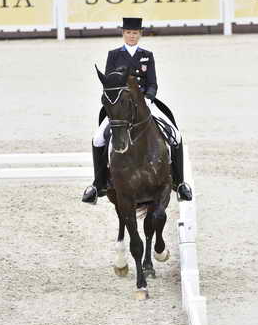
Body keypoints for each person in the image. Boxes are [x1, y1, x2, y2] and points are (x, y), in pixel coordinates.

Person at [82, 17, 192, 204]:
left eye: (135, 33)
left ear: (140, 34)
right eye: (128, 33)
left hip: (144, 104)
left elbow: (152, 82)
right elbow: (109, 82)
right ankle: (97, 184)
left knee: (175, 135)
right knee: (98, 138)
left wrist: (148, 98)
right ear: (123, 34)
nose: (131, 36)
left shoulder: (147, 55)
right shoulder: (114, 55)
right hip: (122, 106)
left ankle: (180, 183)